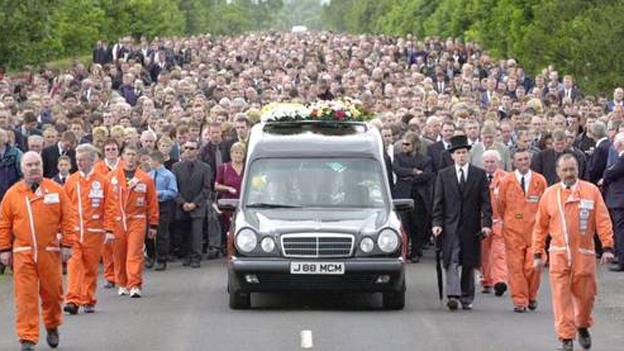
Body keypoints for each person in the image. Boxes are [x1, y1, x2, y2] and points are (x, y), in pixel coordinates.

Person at [532, 154, 615, 351]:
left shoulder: (591, 191)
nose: (569, 173)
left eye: (572, 169)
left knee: (586, 297)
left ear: (578, 169)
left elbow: (602, 220)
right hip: (559, 254)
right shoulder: (550, 194)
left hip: (584, 254)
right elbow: (540, 227)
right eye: (565, 170)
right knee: (561, 298)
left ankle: (583, 325)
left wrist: (607, 247)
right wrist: (537, 253)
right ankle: (566, 338)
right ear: (558, 172)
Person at [0, 151, 75, 350]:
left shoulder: (55, 190)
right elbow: (4, 223)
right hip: (23, 252)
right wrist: (4, 249)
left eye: (37, 164)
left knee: (52, 294)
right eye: (29, 165)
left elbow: (68, 218)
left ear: (42, 166)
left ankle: (52, 325)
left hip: (49, 251)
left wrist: (68, 244)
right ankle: (27, 338)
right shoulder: (12, 194)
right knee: (26, 298)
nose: (34, 168)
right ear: (22, 168)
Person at [432, 135, 493, 311]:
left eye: (464, 152)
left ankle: (466, 297)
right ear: (452, 156)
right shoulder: (444, 175)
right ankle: (453, 295)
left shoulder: (479, 174)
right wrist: (436, 223)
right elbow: (438, 202)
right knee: (451, 259)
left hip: (471, 226)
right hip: (450, 226)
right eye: (457, 153)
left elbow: (486, 203)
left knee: (468, 262)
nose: (461, 156)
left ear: (468, 154)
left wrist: (486, 224)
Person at [104, 145, 158, 298]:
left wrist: (153, 224)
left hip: (137, 219)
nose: (131, 157)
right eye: (128, 154)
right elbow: (107, 205)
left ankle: (134, 284)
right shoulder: (111, 178)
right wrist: (107, 228)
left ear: (138, 157)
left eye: (134, 154)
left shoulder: (145, 178)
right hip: (117, 220)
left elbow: (152, 203)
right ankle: (121, 283)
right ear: (122, 157)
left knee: (135, 253)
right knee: (118, 254)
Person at [498, 149, 547, 312]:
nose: (523, 162)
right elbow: (500, 205)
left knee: (533, 267)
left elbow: (546, 206)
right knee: (515, 268)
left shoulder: (540, 180)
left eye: (526, 159)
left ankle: (531, 295)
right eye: (519, 160)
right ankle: (520, 300)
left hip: (535, 232)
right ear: (513, 162)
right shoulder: (506, 181)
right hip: (513, 232)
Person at [63, 144, 108, 315]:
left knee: (90, 267)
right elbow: (64, 206)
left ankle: (88, 298)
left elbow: (109, 206)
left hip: (94, 232)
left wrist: (109, 229)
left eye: (83, 159)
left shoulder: (102, 181)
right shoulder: (71, 180)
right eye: (77, 160)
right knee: (74, 265)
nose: (80, 163)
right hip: (74, 231)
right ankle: (72, 299)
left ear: (91, 160)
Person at [392, 132, 434, 263]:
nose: (403, 146)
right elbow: (397, 170)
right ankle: (404, 252)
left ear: (415, 145)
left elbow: (427, 175)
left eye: (407, 144)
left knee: (417, 224)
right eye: (403, 144)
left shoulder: (425, 160)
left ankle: (415, 252)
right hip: (401, 195)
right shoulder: (398, 157)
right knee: (404, 225)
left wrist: (408, 178)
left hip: (418, 197)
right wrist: (414, 172)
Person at [173, 139, 212, 268]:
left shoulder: (205, 168)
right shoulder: (176, 167)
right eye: (186, 148)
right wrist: (182, 202)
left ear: (197, 150)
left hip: (197, 206)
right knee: (184, 232)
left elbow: (206, 188)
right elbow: (174, 188)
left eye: (192, 148)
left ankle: (196, 257)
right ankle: (187, 256)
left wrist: (195, 203)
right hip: (182, 205)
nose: (188, 151)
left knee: (197, 234)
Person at [93, 138, 122, 288]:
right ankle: (110, 277)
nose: (111, 152)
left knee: (119, 245)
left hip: (121, 209)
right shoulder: (98, 167)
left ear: (118, 150)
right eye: (108, 149)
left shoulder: (124, 166)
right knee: (106, 246)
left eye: (114, 149)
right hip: (104, 210)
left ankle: (121, 275)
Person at [479, 150, 508, 296]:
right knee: (484, 252)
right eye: (487, 162)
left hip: (500, 222)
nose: (489, 165)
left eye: (492, 162)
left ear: (498, 163)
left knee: (499, 252)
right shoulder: (477, 177)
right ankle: (486, 280)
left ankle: (500, 281)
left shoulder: (506, 179)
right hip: (482, 221)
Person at [148, 150, 178, 271]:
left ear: (156, 161)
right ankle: (150, 256)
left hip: (163, 205)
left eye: (150, 160)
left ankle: (162, 259)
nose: (149, 163)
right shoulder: (149, 175)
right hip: (150, 206)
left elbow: (173, 191)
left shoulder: (168, 175)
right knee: (148, 232)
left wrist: (159, 193)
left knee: (162, 233)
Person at [215, 142, 245, 255]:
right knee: (229, 228)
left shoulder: (247, 167)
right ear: (231, 153)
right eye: (236, 152)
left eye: (241, 153)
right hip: (228, 204)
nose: (238, 155)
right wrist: (228, 188)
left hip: (243, 202)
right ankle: (229, 250)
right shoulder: (224, 167)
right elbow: (216, 185)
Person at [603, 132, 624, 272]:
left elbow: (611, 173)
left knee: (620, 230)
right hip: (619, 199)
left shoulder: (622, 158)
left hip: (620, 200)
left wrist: (606, 174)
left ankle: (622, 261)